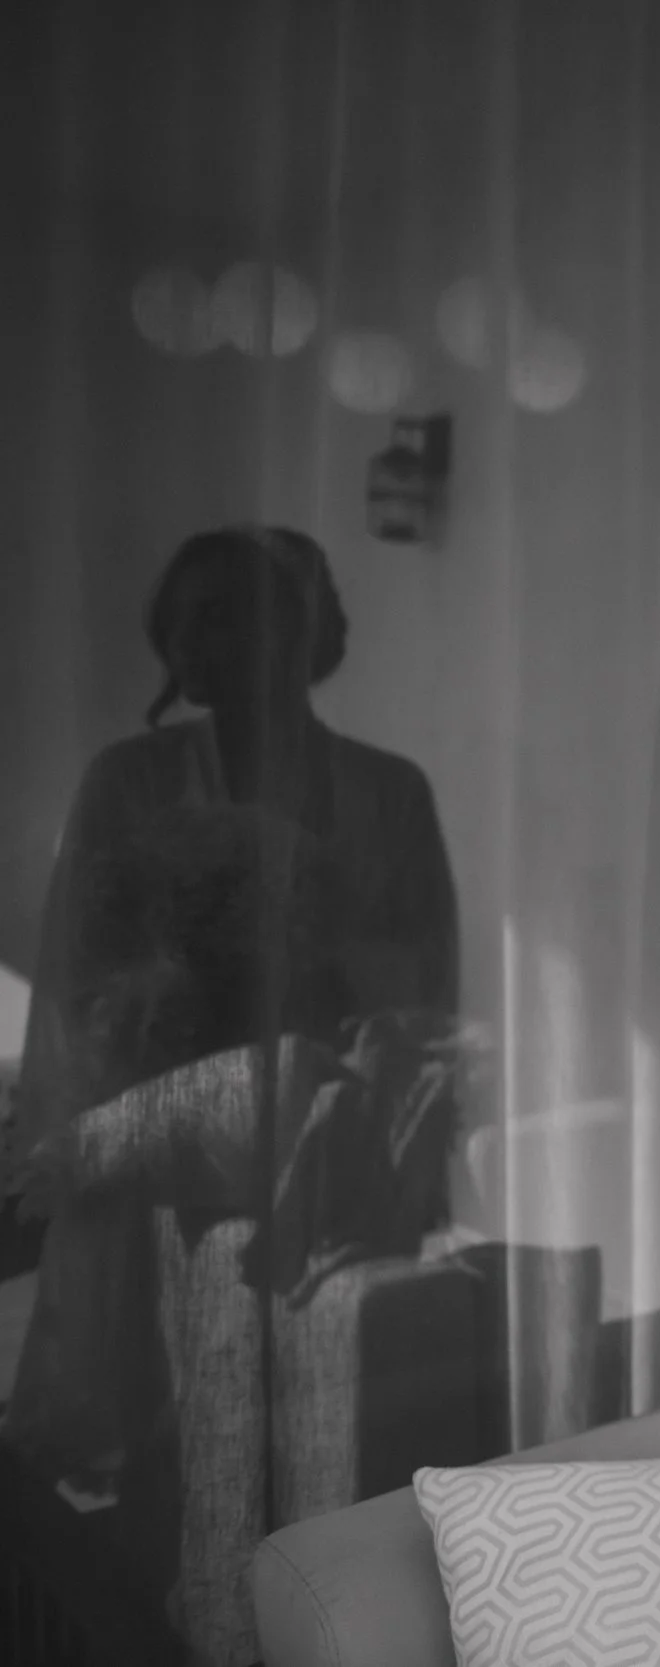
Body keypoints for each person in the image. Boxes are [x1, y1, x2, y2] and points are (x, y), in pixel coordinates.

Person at [3, 524, 458, 1509]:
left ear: (300, 628)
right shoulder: (130, 781)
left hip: (327, 1155)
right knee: (169, 1448)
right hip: (169, 1156)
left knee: (323, 1443)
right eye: (186, 619)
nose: (202, 641)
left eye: (229, 611)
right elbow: (80, 978)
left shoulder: (391, 792)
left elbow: (427, 993)